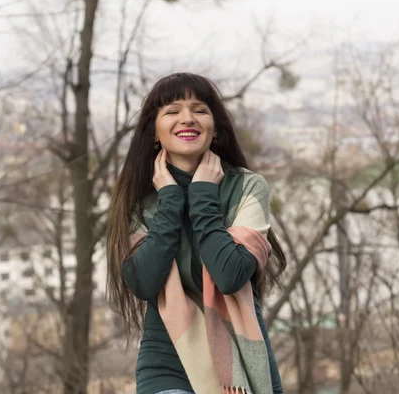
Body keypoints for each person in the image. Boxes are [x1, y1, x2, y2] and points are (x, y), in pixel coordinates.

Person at [106, 72, 286, 394]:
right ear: (154, 133)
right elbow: (143, 281)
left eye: (199, 110)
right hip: (168, 365)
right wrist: (171, 200)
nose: (187, 119)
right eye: (172, 111)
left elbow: (229, 275)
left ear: (215, 129)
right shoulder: (138, 200)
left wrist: (203, 194)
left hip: (244, 366)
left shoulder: (247, 188)